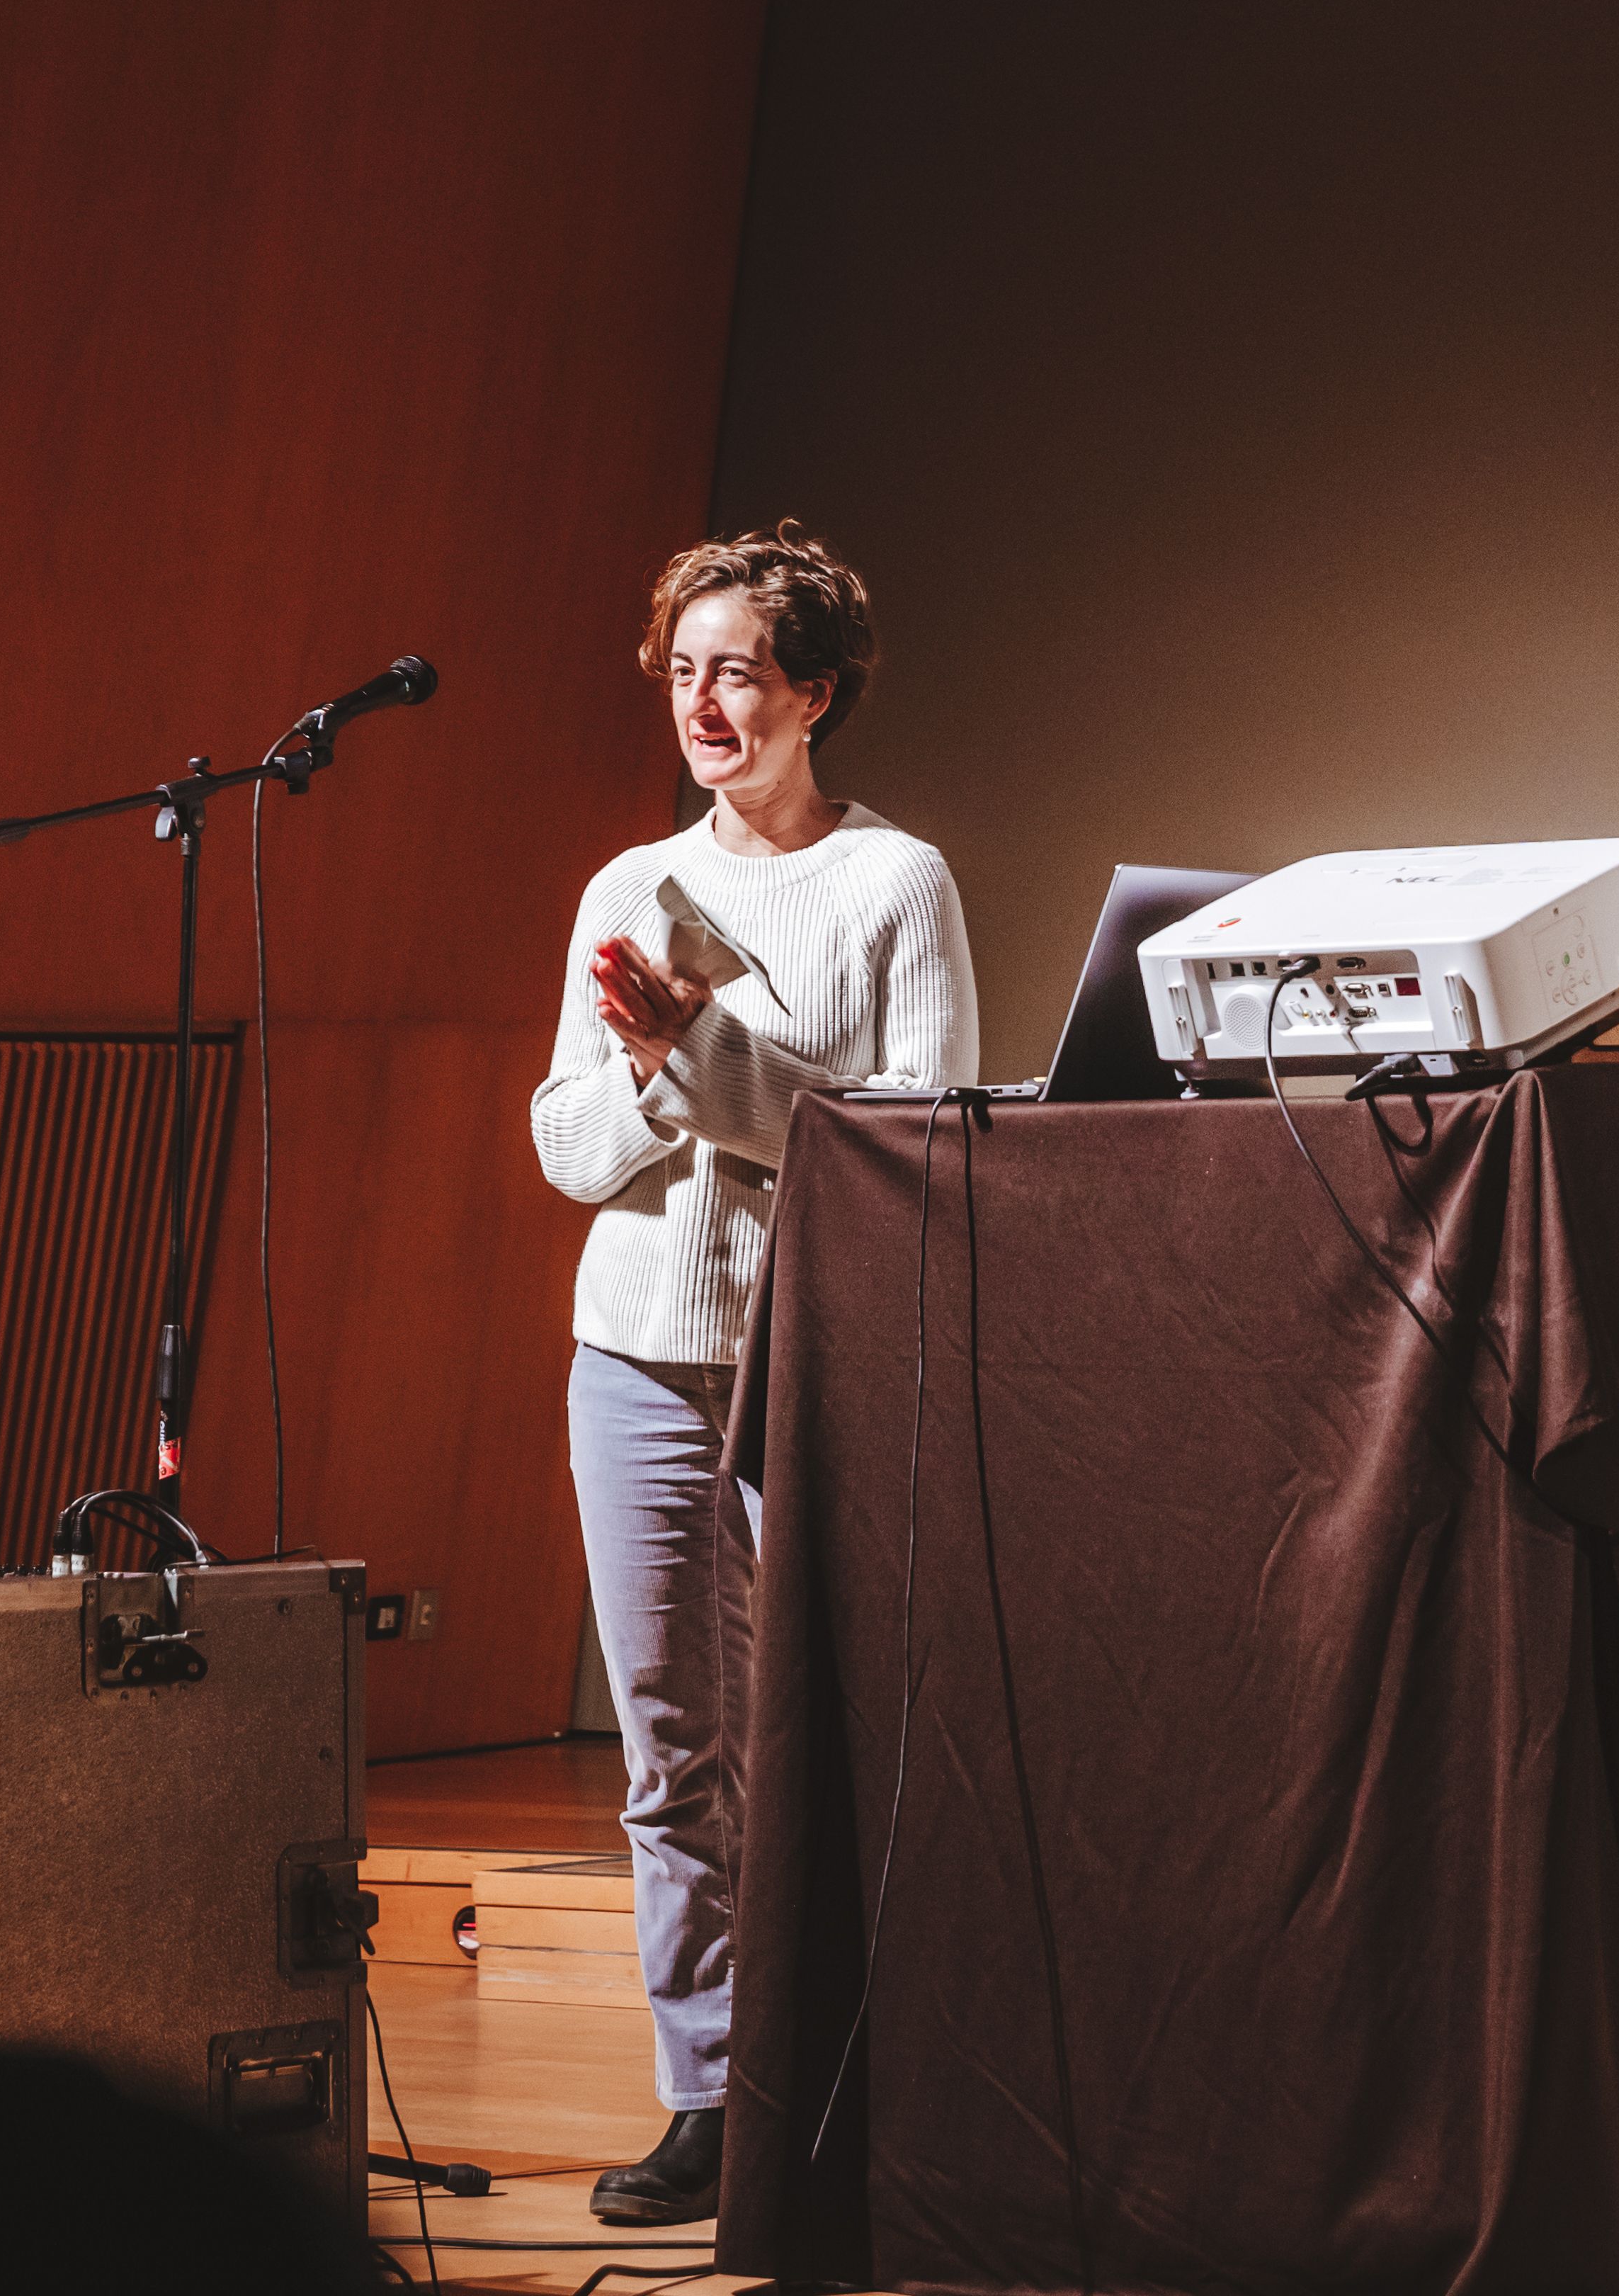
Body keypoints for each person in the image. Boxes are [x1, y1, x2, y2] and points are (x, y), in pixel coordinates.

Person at [527, 521, 976, 2226]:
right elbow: (568, 1149)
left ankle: (855, 2076)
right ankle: (709, 2089)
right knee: (669, 1744)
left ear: (817, 693)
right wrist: (655, 1076)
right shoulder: (622, 888)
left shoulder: (893, 881)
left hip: (826, 1348)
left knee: (840, 1731)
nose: (704, 699)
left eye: (739, 670)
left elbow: (920, 1135)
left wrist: (706, 1051)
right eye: (684, 667)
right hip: (635, 1345)